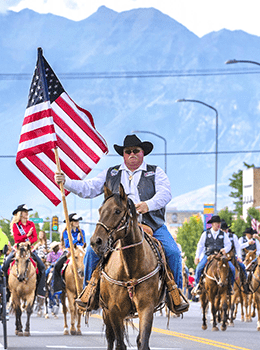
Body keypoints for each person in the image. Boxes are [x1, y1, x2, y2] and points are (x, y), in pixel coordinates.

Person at [55, 134, 189, 314]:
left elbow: (165, 194)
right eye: (128, 151)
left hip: (151, 225)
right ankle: (90, 291)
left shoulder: (155, 172)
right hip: (116, 228)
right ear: (123, 155)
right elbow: (89, 188)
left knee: (173, 251)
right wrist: (67, 182)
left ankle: (175, 294)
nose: (132, 154)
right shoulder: (111, 173)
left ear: (143, 153)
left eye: (136, 151)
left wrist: (147, 205)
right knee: (91, 251)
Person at [1, 205, 46, 296]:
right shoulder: (15, 225)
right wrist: (26, 235)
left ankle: (40, 289)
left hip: (29, 248)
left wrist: (29, 242)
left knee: (42, 266)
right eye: (25, 212)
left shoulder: (31, 224)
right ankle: (6, 287)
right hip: (18, 247)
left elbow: (35, 237)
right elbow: (16, 238)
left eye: (27, 212)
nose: (27, 213)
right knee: (5, 265)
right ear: (20, 214)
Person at [194, 215, 234, 292]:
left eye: (219, 223)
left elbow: (229, 245)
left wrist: (225, 249)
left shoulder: (223, 234)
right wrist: (197, 257)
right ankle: (197, 285)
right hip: (208, 255)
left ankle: (230, 286)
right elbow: (200, 245)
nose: (218, 224)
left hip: (220, 257)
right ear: (212, 224)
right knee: (199, 268)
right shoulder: (205, 234)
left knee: (232, 269)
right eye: (216, 223)